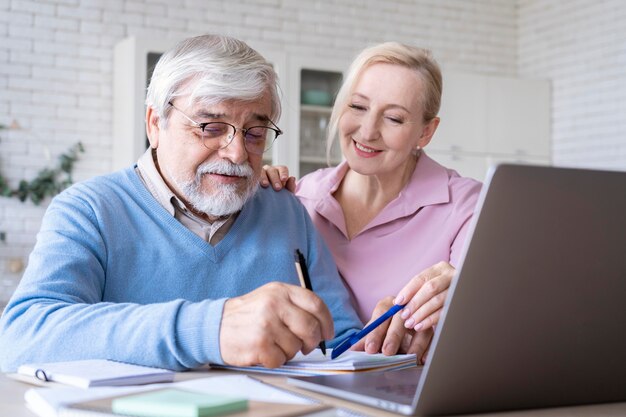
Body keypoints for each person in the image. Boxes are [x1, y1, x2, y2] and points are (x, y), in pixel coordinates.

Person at [0, 34, 362, 372]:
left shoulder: (285, 211)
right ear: (155, 124)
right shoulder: (90, 210)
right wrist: (209, 329)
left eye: (254, 133)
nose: (237, 153)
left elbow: (341, 339)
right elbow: (22, 338)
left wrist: (388, 337)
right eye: (210, 127)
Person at [262, 42, 482, 362]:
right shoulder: (301, 198)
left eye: (393, 118)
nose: (367, 131)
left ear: (425, 132)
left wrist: (466, 300)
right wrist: (254, 198)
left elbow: (494, 325)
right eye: (358, 106)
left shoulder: (467, 206)